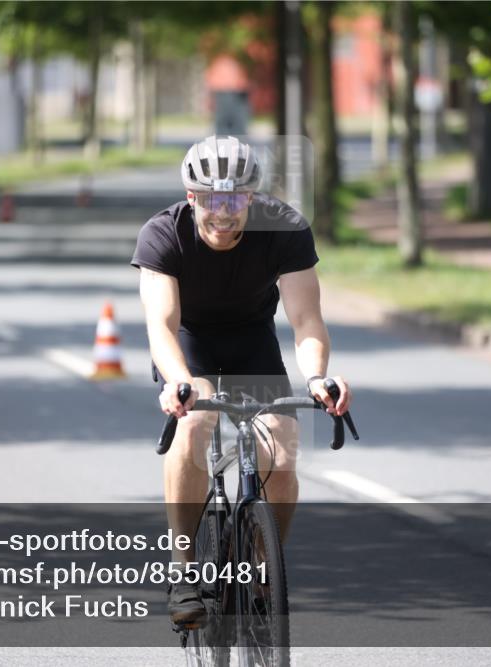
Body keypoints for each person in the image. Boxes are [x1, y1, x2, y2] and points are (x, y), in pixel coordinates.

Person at [130, 135, 352, 625]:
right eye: (211, 200)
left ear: (251, 197)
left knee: (282, 444)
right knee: (193, 425)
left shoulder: (286, 228)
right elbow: (161, 326)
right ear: (193, 198)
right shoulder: (163, 234)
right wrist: (179, 383)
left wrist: (317, 377)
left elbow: (307, 319)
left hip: (252, 341)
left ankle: (261, 565)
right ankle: (184, 569)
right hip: (189, 346)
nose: (223, 213)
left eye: (235, 200)